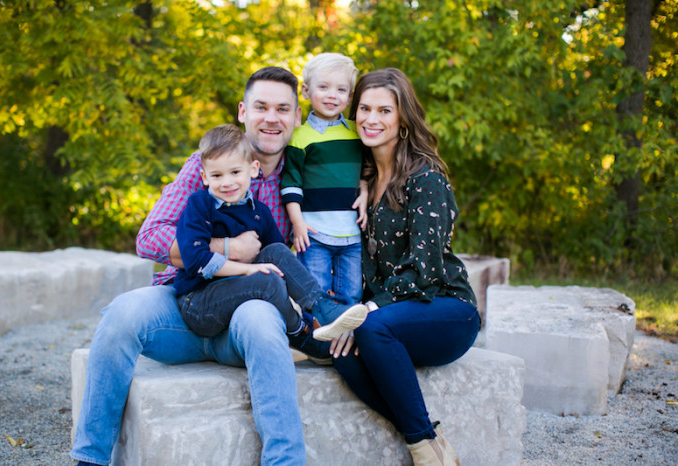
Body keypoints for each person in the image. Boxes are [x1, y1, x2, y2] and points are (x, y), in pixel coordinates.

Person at [71, 67, 317, 466]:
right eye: (261, 107)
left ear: (296, 117)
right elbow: (150, 237)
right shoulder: (207, 166)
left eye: (282, 109)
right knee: (121, 314)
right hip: (183, 305)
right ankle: (90, 459)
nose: (271, 118)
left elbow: (304, 258)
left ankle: (286, 462)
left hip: (246, 313)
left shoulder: (300, 177)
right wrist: (227, 248)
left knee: (262, 321)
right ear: (243, 111)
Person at [331, 68, 481, 466]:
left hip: (445, 308)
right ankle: (434, 443)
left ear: (403, 120)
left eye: (384, 110)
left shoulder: (425, 179)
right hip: (388, 315)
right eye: (364, 108)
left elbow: (425, 269)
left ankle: (423, 449)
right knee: (339, 349)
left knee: (371, 327)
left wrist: (369, 309)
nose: (371, 119)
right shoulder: (360, 177)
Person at [174, 124, 367, 351]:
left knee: (276, 251)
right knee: (266, 280)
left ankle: (322, 307)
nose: (227, 182)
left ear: (253, 169)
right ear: (205, 177)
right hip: (198, 302)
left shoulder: (259, 211)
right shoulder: (199, 204)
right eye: (217, 175)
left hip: (236, 289)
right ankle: (300, 334)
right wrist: (247, 269)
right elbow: (196, 261)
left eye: (235, 172)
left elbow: (279, 262)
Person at [280, 53, 366, 308]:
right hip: (313, 233)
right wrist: (297, 223)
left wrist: (366, 188)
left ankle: (347, 341)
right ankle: (318, 343)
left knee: (351, 294)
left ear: (350, 97)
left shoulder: (356, 132)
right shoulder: (300, 137)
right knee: (315, 293)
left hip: (352, 234)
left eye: (341, 89)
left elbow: (368, 171)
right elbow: (291, 184)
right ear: (306, 91)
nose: (332, 95)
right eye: (323, 87)